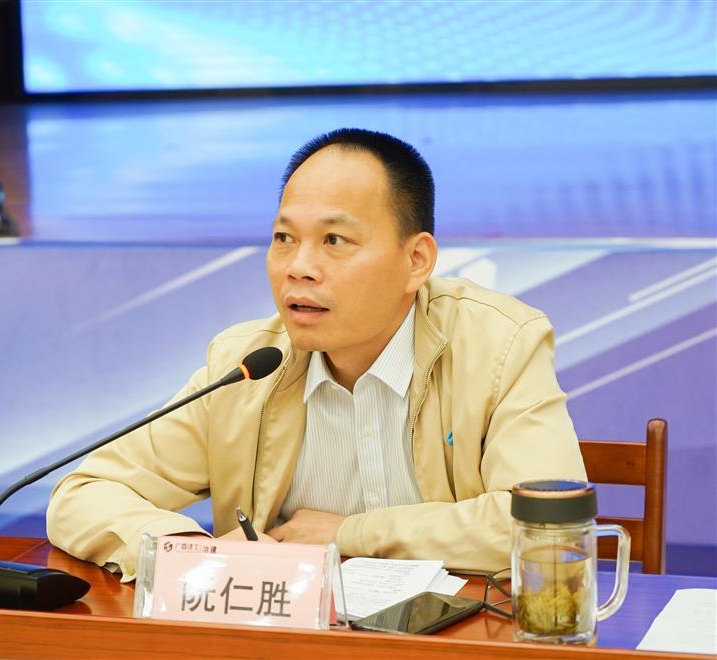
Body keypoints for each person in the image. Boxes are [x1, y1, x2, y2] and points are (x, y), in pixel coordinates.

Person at [47, 128, 586, 581]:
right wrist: (194, 553)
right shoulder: (247, 364)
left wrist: (350, 535)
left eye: (334, 241)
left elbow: (547, 527)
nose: (297, 268)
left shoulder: (499, 344)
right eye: (284, 238)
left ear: (417, 260)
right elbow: (84, 494)